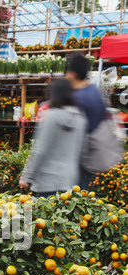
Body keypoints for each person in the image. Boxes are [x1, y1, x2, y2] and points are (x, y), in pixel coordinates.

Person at [19, 78, 87, 198]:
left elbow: (41, 149)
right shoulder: (80, 119)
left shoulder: (51, 117)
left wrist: (27, 176)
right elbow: (83, 151)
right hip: (70, 182)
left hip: (48, 181)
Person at [65, 53, 123, 189]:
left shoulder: (79, 97)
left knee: (77, 197)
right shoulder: (93, 90)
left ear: (73, 74)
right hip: (94, 156)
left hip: (83, 158)